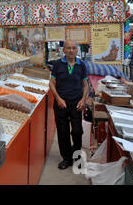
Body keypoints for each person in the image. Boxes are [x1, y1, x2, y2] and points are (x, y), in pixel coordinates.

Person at [49, 40, 88, 170]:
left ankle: (77, 157)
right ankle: (66, 159)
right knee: (63, 132)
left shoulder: (81, 65)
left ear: (76, 50)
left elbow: (85, 84)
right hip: (61, 104)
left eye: (73, 48)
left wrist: (83, 100)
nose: (71, 50)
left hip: (76, 103)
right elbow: (52, 83)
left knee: (77, 132)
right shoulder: (57, 65)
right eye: (68, 48)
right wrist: (58, 99)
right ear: (64, 50)